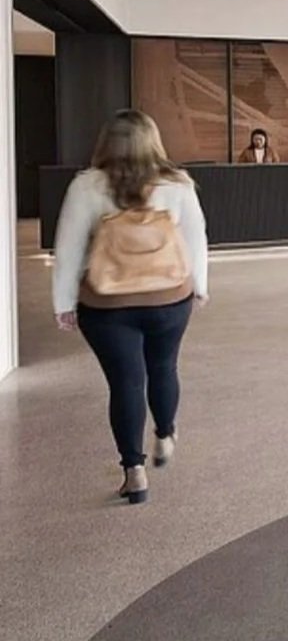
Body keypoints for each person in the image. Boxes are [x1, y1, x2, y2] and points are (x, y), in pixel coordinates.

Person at [53, 110, 209, 505]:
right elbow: (195, 239)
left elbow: (69, 248)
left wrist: (64, 302)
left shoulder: (87, 186)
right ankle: (165, 434)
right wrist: (200, 287)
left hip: (107, 304)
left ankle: (134, 472)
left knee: (126, 383)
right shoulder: (178, 184)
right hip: (170, 298)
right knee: (163, 367)